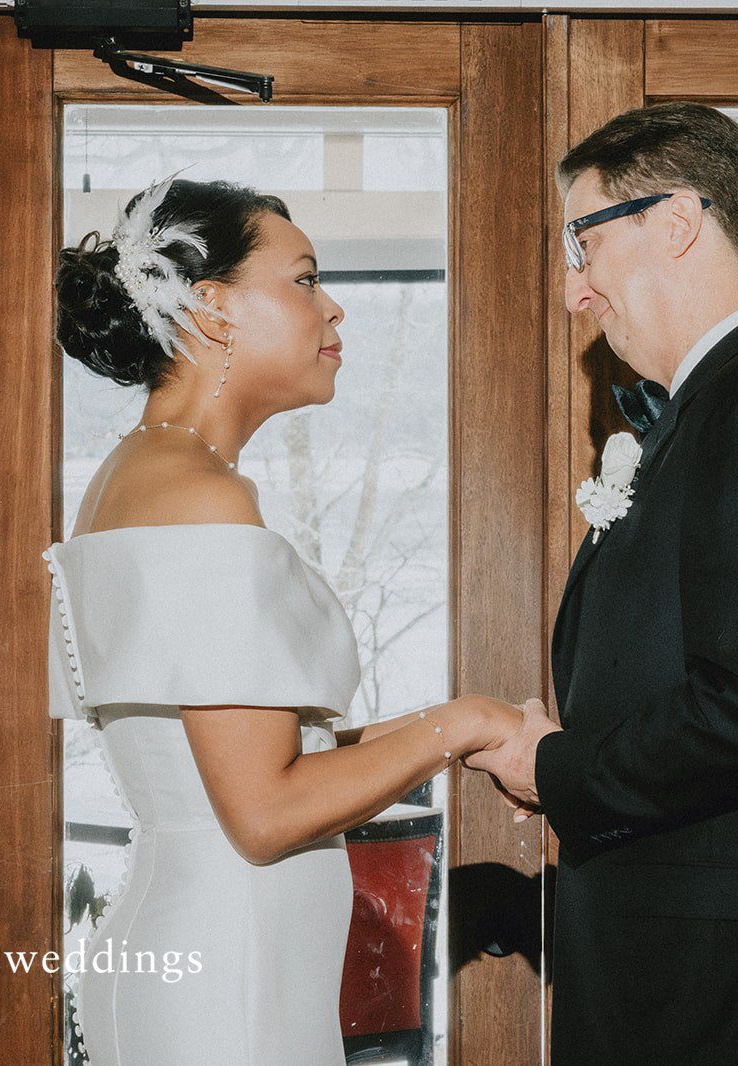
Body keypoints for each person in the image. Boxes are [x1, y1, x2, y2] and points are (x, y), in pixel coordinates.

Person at [45, 176, 526, 1065]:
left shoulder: (137, 478)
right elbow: (265, 811)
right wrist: (463, 721)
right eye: (305, 280)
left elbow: (254, 764)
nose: (333, 308)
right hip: (232, 979)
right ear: (215, 307)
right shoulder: (202, 500)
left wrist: (467, 727)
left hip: (207, 953)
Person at [467, 101, 738, 1063]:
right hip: (707, 958)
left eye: (581, 246)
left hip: (728, 985)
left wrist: (559, 768)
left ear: (677, 223)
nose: (575, 292)